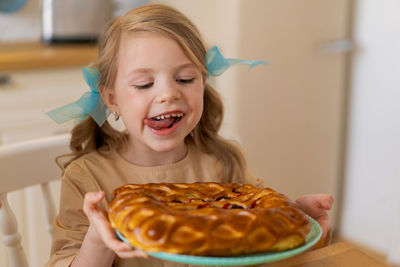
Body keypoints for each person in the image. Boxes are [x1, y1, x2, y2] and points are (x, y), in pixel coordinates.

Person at [45, 4, 333, 267]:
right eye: (144, 84)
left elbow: (260, 243)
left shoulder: (224, 163)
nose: (169, 93)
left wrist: (297, 219)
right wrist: (99, 234)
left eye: (185, 79)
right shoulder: (88, 179)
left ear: (203, 84)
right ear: (112, 99)